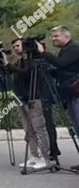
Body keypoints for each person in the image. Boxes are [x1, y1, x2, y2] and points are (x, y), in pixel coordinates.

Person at [6, 39, 51, 170]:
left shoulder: (33, 61)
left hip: (34, 98)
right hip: (21, 98)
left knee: (38, 128)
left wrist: (8, 64)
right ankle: (34, 155)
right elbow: (12, 73)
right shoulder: (19, 62)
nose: (16, 49)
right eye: (14, 47)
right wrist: (4, 65)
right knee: (28, 129)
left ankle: (45, 157)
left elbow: (24, 72)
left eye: (18, 46)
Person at [38, 26, 79, 169]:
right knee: (77, 126)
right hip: (70, 93)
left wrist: (44, 53)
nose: (53, 38)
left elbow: (61, 64)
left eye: (56, 36)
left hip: (76, 93)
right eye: (53, 36)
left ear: (66, 36)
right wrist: (50, 71)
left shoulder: (73, 48)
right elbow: (64, 70)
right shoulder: (65, 50)